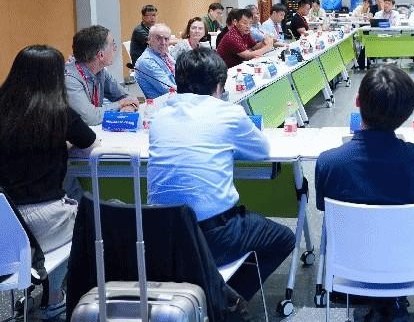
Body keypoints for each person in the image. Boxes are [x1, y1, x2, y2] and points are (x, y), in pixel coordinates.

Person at [147, 47, 295, 307]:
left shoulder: (159, 117)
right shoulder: (228, 113)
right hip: (214, 236)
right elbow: (262, 150)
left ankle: (213, 290)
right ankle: (225, 300)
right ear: (218, 86)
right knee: (284, 238)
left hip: (161, 238)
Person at [315, 64, 414, 321]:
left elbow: (323, 208)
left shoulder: (329, 163)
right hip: (412, 264)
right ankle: (391, 301)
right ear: (408, 113)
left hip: (350, 265)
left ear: (357, 102)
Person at [0, 45, 98, 319]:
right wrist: (60, 144)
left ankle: (40, 290)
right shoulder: (58, 113)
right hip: (43, 221)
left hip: (4, 221)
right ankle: (55, 296)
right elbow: (90, 142)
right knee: (93, 221)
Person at [65, 26, 139, 125]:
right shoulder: (70, 79)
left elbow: (126, 96)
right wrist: (120, 104)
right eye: (112, 45)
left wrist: (129, 107)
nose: (115, 49)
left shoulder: (100, 71)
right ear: (101, 55)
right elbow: (90, 118)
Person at [134, 23, 177, 99]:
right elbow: (169, 89)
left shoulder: (165, 55)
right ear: (149, 40)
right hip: (162, 103)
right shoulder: (146, 61)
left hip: (174, 98)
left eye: (166, 39)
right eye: (159, 38)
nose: (163, 43)